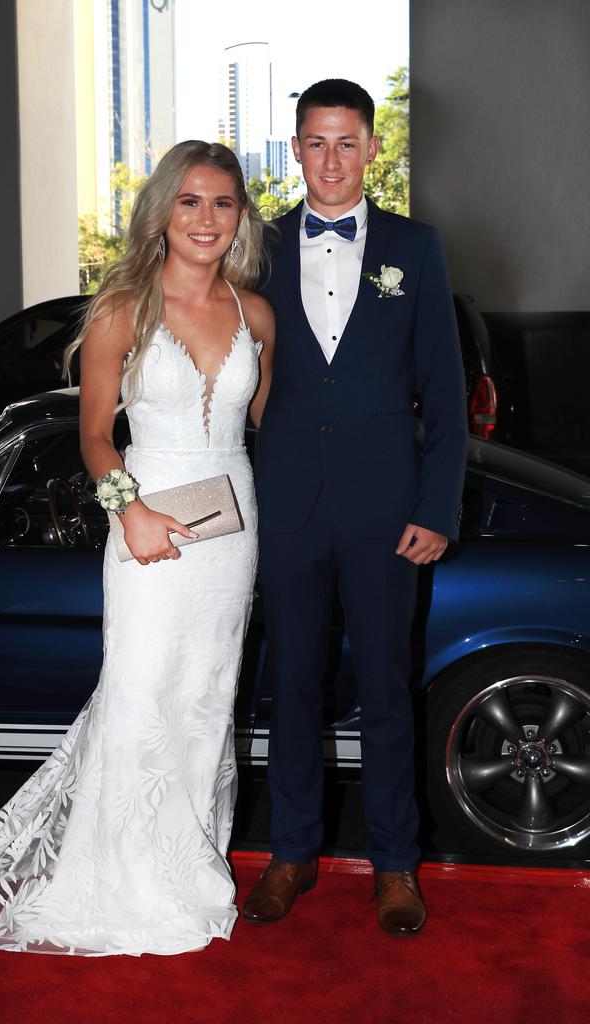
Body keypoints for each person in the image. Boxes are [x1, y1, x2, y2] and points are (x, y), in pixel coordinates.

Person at [0, 141, 274, 956]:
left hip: (228, 543)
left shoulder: (255, 315)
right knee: (138, 703)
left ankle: (184, 870)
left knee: (206, 707)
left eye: (224, 203)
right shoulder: (121, 311)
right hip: (143, 530)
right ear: (163, 215)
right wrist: (125, 512)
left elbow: (270, 432)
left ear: (241, 216)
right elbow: (96, 437)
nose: (208, 219)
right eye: (191, 202)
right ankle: (111, 884)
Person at [244, 79, 468, 935]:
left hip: (388, 507)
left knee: (387, 691)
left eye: (347, 142)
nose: (330, 160)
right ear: (294, 148)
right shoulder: (253, 247)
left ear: (373, 148)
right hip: (288, 506)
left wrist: (438, 506)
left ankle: (397, 868)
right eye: (314, 142)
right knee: (291, 686)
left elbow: (445, 396)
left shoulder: (417, 246)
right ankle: (291, 855)